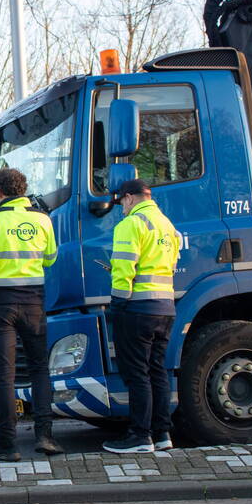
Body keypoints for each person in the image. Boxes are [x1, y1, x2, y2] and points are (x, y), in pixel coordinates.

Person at [0, 168, 65, 460]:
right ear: (23, 189)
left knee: (4, 374)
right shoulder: (42, 219)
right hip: (34, 302)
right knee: (40, 368)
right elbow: (51, 257)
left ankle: (7, 444)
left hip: (1, 304)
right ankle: (45, 437)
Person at [104, 179, 182, 454]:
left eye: (121, 203)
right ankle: (162, 434)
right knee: (158, 371)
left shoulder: (131, 224)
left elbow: (123, 268)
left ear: (128, 198)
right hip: (166, 307)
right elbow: (171, 265)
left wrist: (117, 303)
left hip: (137, 309)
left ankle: (139, 436)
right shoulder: (167, 225)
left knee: (137, 374)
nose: (121, 209)